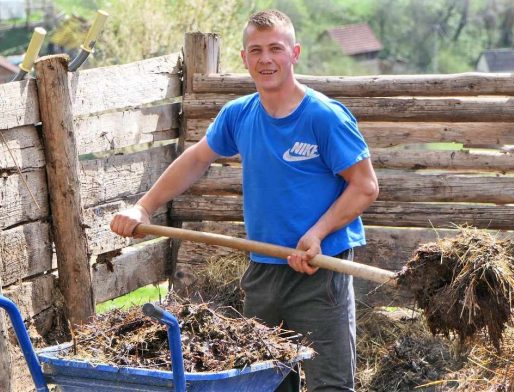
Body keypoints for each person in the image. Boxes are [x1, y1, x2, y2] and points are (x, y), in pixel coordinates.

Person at [110, 9, 379, 392]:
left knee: (329, 384)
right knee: (266, 381)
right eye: (256, 50)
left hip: (320, 270)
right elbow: (196, 159)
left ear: (295, 53)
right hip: (264, 269)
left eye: (275, 49)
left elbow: (365, 186)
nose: (265, 59)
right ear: (244, 58)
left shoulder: (325, 117)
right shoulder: (239, 115)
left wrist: (317, 234)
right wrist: (144, 207)